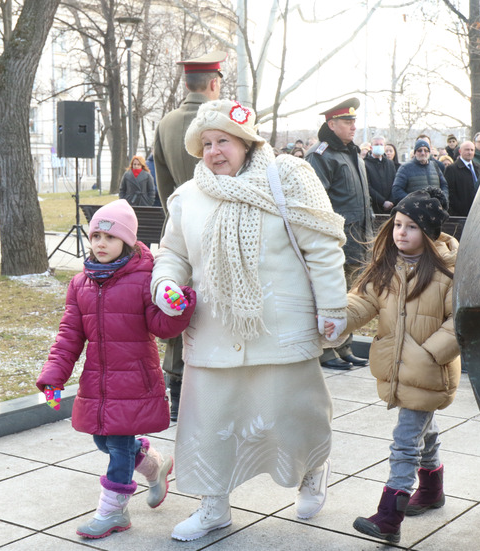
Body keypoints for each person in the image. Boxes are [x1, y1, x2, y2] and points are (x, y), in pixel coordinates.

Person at [152, 99, 350, 541]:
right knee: (210, 423)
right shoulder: (187, 196)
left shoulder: (289, 178)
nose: (213, 151)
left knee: (294, 416)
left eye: (223, 140)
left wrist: (333, 309)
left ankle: (312, 470)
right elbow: (174, 256)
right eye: (206, 143)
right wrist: (164, 285)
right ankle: (212, 506)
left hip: (281, 328)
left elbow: (321, 248)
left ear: (246, 142)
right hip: (214, 332)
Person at [36, 199, 197, 540]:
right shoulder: (81, 283)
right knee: (102, 439)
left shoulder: (143, 278)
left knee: (119, 446)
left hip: (134, 379)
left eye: (109, 237)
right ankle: (156, 465)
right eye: (95, 236)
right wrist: (54, 375)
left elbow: (162, 327)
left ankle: (113, 512)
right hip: (98, 380)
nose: (100, 244)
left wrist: (178, 307)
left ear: (126, 241)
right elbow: (69, 335)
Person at [329, 187, 460, 545]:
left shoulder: (449, 275)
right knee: (423, 429)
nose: (401, 232)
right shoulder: (387, 268)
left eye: (412, 227)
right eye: (398, 224)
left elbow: (459, 322)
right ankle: (432, 489)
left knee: (405, 441)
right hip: (401, 370)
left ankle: (389, 516)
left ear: (430, 234)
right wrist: (337, 318)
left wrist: (429, 353)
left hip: (429, 371)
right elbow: (362, 301)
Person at [151, 50, 227, 422]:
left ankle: (178, 392)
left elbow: (164, 184)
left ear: (186, 84)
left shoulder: (165, 123)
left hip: (180, 229)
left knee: (179, 301)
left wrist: (176, 219)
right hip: (220, 228)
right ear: (214, 83)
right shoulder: (220, 121)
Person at [306, 97, 374, 370]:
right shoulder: (320, 155)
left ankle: (344, 346)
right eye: (347, 121)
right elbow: (315, 203)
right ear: (331, 124)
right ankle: (325, 351)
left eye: (354, 121)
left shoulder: (351, 152)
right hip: (336, 242)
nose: (353, 126)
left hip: (358, 239)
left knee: (350, 297)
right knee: (330, 297)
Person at [445, 140, 480, 217]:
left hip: (478, 211)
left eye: (472, 150)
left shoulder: (478, 167)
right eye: (467, 150)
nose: (469, 152)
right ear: (460, 151)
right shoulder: (452, 169)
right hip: (461, 214)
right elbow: (450, 192)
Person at [365, 135, 397, 214]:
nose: (379, 146)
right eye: (376, 144)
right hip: (374, 206)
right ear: (371, 147)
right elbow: (367, 186)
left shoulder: (390, 163)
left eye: (381, 144)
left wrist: (391, 201)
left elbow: (395, 183)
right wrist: (382, 202)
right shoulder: (365, 163)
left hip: (391, 206)